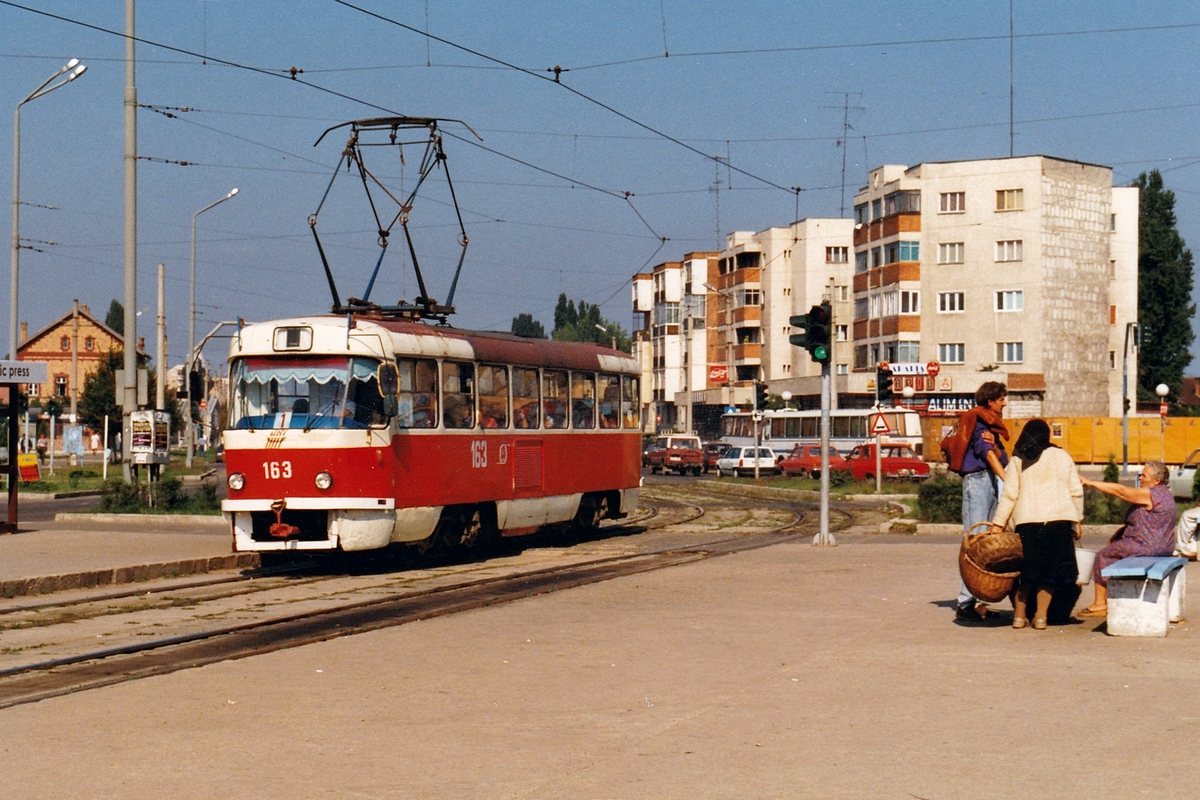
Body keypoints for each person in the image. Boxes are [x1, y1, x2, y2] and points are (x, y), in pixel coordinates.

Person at [989, 420, 1084, 629]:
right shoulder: (1062, 456)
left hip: (1027, 523)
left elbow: (1009, 495)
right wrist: (1077, 521)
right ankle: (1041, 618)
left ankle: (1019, 617)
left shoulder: (1018, 459)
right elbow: (1076, 491)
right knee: (1049, 574)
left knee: (1025, 574)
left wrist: (998, 523)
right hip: (1059, 522)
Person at [942, 381, 1010, 622]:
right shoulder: (979, 420)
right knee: (975, 541)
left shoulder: (990, 423)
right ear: (990, 400)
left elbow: (1001, 453)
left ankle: (980, 600)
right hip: (979, 480)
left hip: (988, 480)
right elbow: (988, 453)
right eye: (1001, 398)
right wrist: (1008, 481)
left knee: (988, 541)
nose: (1004, 402)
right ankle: (965, 601)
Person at [1078, 460, 1178, 617]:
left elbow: (1121, 491)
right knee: (1116, 548)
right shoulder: (1166, 495)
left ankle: (1100, 603)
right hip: (1163, 546)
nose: (1141, 478)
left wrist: (1089, 482)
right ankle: (1115, 595)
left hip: (1147, 546)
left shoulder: (1151, 493)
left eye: (1144, 475)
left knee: (1103, 555)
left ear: (1156, 480)